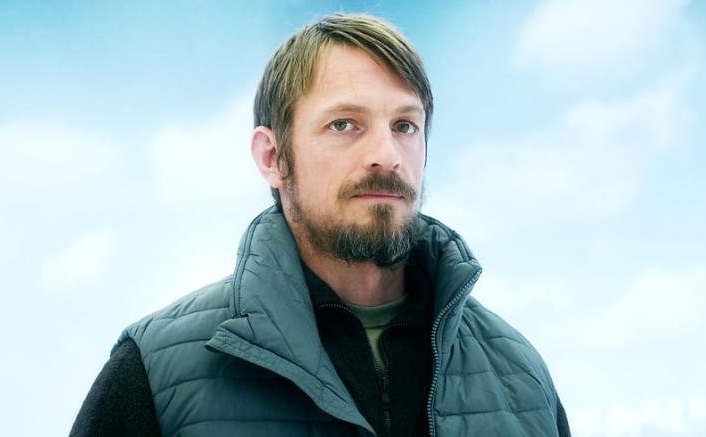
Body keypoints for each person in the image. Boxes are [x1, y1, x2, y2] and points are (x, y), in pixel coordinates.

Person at [70, 13, 570, 437]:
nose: (387, 155)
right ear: (272, 157)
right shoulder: (152, 375)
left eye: (404, 126)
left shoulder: (523, 380)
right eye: (344, 124)